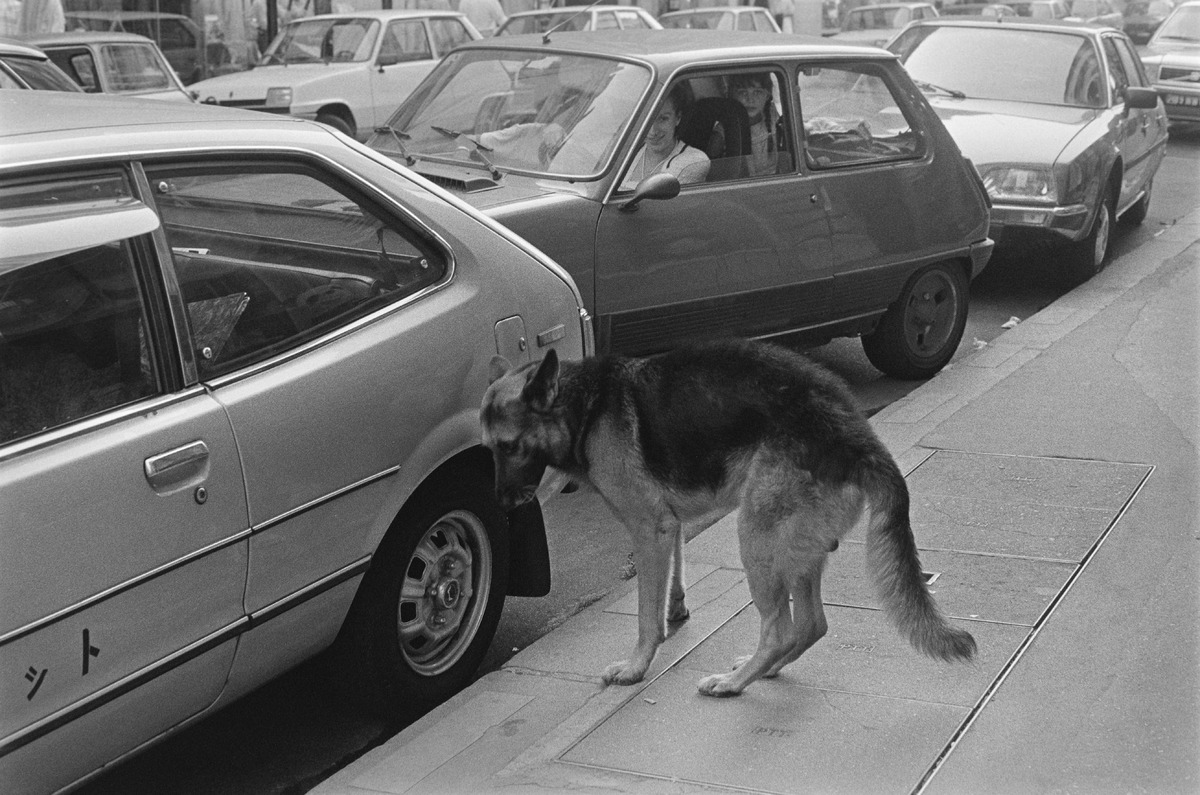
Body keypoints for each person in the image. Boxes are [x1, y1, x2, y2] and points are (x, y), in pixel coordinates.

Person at [619, 83, 710, 191]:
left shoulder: (694, 161)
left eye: (663, 119)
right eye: (647, 119)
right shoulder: (625, 152)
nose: (653, 131)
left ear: (678, 118)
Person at [727, 73, 780, 177]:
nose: (750, 99)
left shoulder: (772, 114)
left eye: (757, 92)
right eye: (743, 92)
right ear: (733, 96)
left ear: (767, 95)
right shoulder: (728, 124)